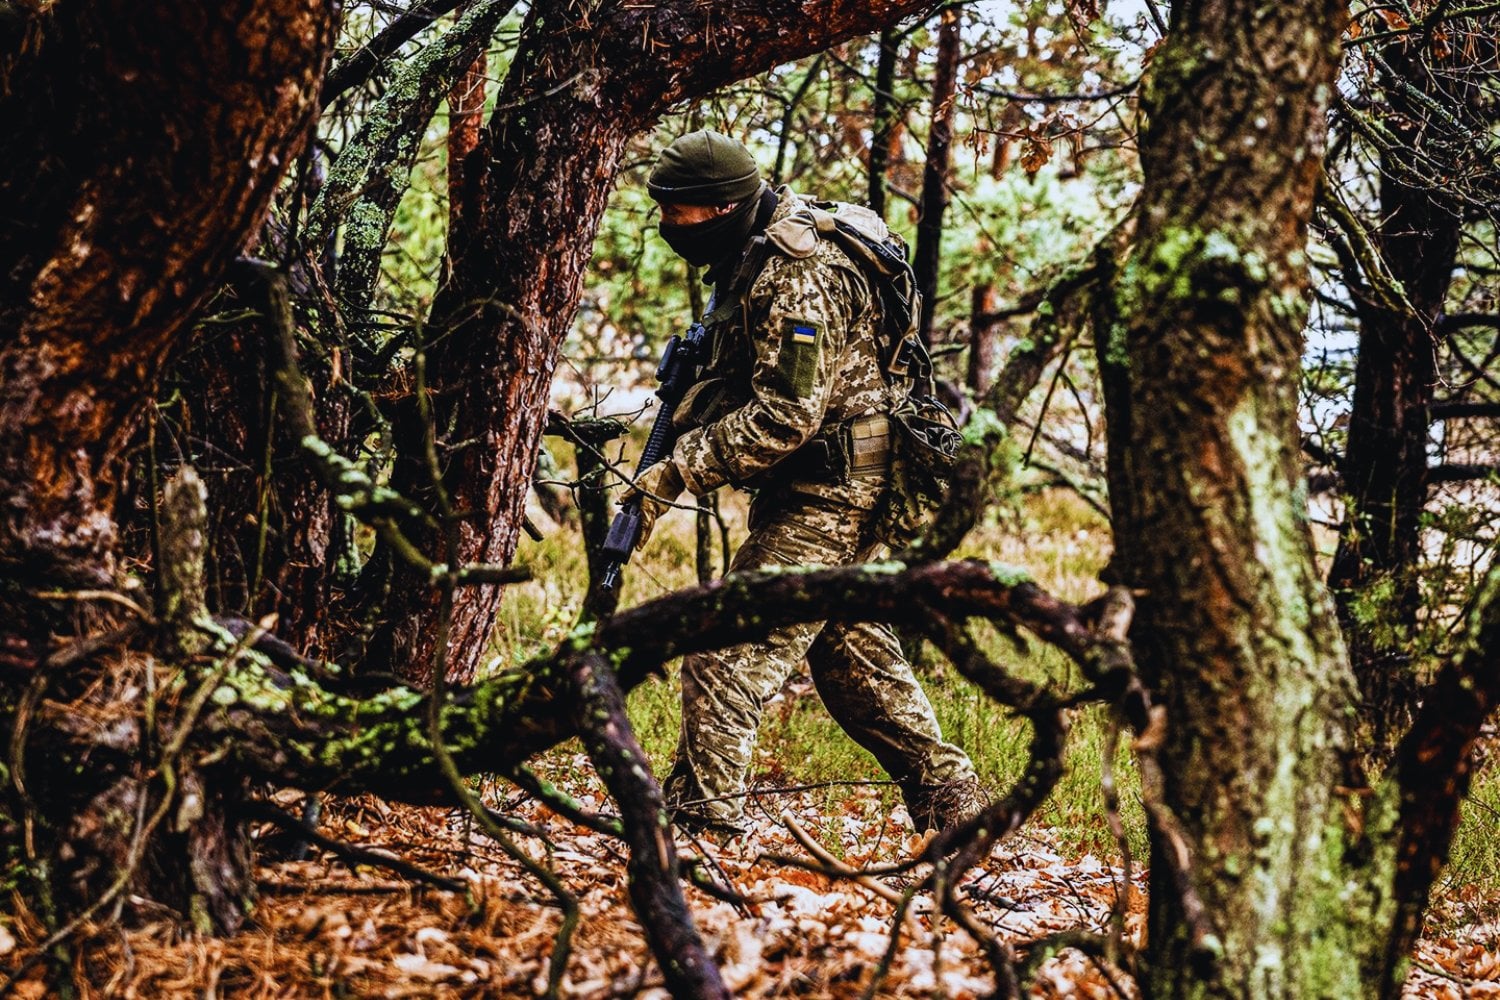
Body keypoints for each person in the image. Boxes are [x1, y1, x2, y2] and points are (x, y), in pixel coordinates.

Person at [624, 128, 984, 835]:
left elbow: (786, 417)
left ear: (724, 206)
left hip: (836, 487)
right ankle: (957, 808)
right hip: (831, 478)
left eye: (680, 213)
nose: (669, 227)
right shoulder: (752, 251)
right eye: (661, 211)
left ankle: (702, 839)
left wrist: (675, 472)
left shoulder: (795, 272)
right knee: (851, 654)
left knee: (726, 655)